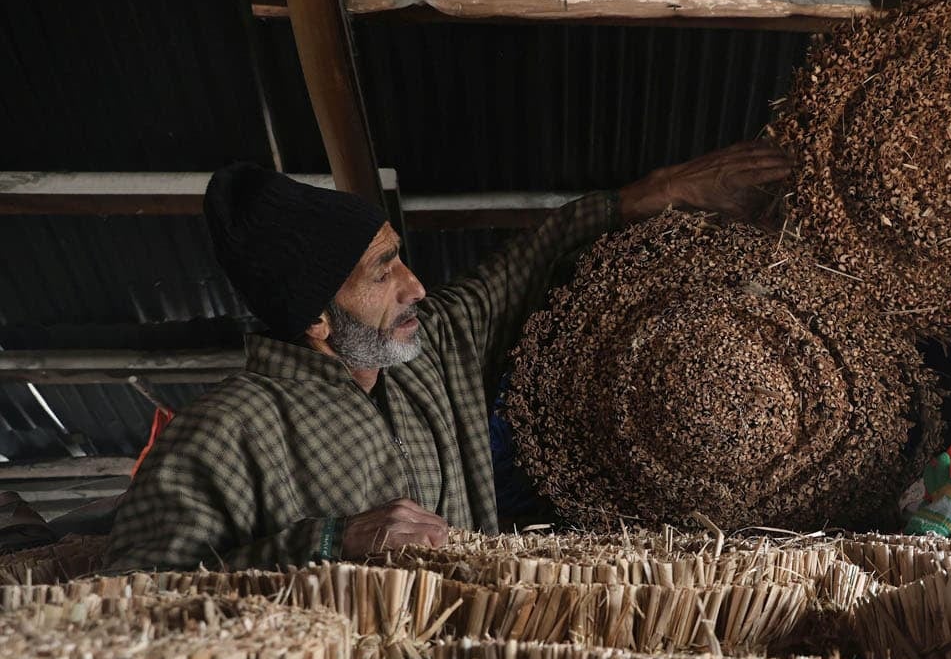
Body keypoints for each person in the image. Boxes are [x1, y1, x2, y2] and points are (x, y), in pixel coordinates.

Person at [104, 141, 790, 571]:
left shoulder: (427, 357)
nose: (415, 285)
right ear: (315, 317)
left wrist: (656, 193)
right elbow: (128, 600)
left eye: (398, 254)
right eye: (382, 271)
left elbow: (525, 264)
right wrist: (324, 544)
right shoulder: (223, 435)